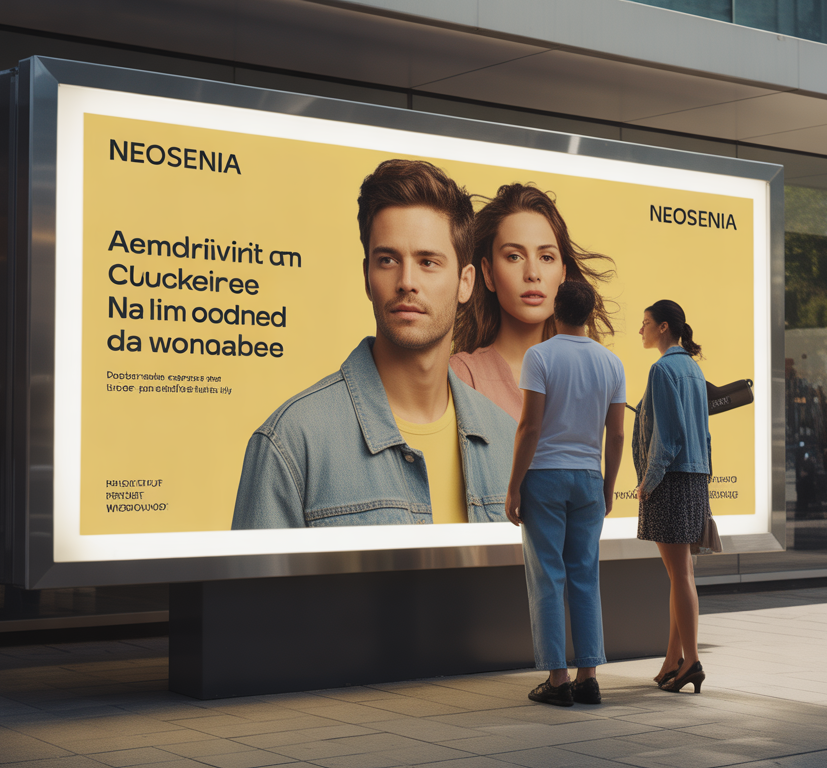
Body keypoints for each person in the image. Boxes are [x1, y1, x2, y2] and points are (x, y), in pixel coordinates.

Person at [232, 159, 516, 529]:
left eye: (428, 262)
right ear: (367, 278)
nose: (406, 281)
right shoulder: (290, 443)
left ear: (466, 283)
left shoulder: (509, 441)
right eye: (387, 260)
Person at [506, 281, 626, 707]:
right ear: (591, 314)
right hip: (589, 478)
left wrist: (513, 485)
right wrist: (608, 485)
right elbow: (616, 434)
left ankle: (558, 681)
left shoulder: (539, 356)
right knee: (584, 575)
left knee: (548, 576)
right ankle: (588, 676)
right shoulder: (611, 363)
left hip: (544, 477)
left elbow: (530, 428)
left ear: (556, 310)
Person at [451, 184, 614, 421]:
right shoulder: (461, 376)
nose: (533, 273)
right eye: (514, 256)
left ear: (563, 275)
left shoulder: (588, 379)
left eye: (546, 257)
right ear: (488, 273)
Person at [634, 299, 711, 694]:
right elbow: (702, 435)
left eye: (645, 323)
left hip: (672, 479)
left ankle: (692, 659)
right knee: (681, 575)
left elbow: (668, 435)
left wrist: (649, 480)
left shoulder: (663, 368)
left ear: (664, 327)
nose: (641, 330)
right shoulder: (693, 370)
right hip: (695, 477)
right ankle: (672, 660)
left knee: (679, 575)